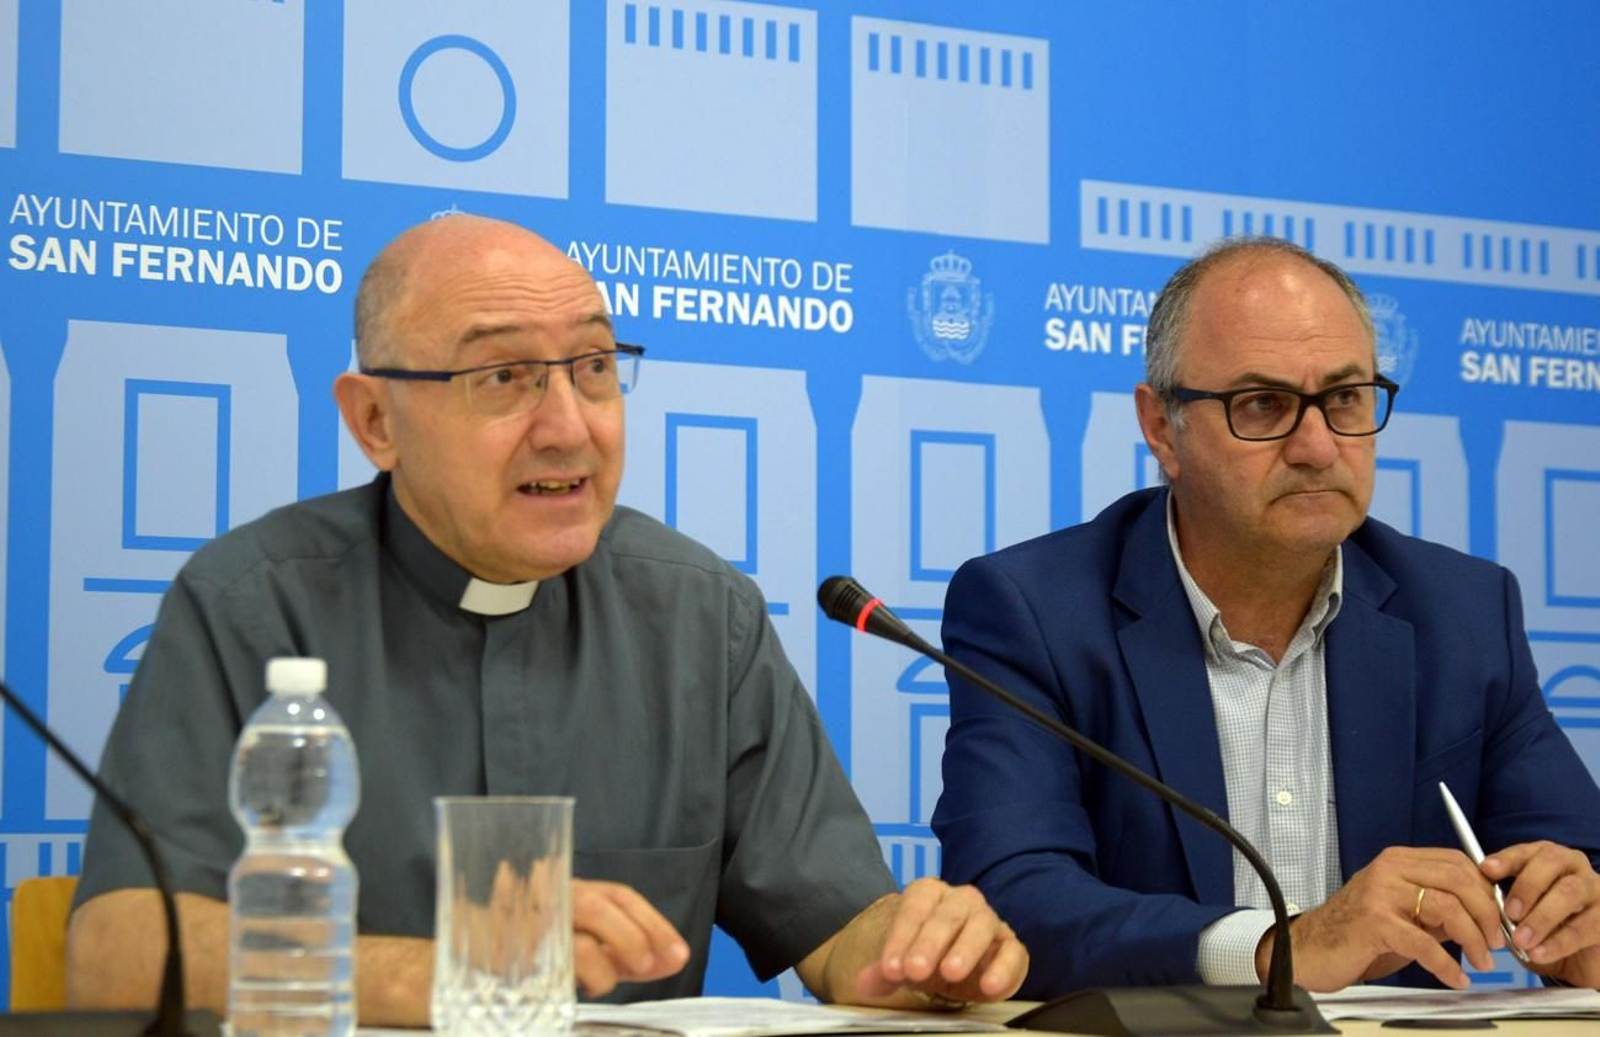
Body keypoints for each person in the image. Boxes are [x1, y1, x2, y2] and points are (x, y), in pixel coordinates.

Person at [66, 215, 1027, 1026]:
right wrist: (458, 966)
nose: (569, 424)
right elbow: (116, 953)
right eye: (504, 377)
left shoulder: (701, 614)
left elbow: (836, 927)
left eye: (595, 367)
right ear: (376, 422)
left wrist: (916, 953)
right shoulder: (251, 604)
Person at [933, 237, 1600, 996]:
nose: (1318, 446)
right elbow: (1008, 903)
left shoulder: (1463, 611)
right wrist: (1280, 947)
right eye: (1264, 405)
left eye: (1345, 398)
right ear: (1161, 427)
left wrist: (1575, 924)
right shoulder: (1036, 611)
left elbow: (1576, 862)